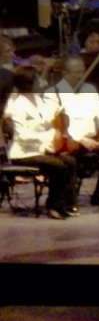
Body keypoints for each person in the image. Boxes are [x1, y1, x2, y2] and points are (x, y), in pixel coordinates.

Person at [45, 55, 99, 207]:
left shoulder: (90, 89)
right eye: (76, 72)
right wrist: (80, 139)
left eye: (82, 72)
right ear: (65, 73)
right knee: (70, 154)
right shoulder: (53, 93)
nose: (80, 76)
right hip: (68, 142)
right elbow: (52, 124)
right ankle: (65, 196)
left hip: (92, 140)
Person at [4, 66, 78, 219]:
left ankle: (67, 204)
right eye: (38, 80)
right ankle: (54, 205)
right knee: (58, 165)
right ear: (29, 83)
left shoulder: (41, 100)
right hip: (24, 153)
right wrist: (49, 135)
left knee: (70, 161)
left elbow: (51, 117)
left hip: (41, 149)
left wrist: (59, 114)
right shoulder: (17, 105)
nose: (41, 83)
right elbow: (22, 135)